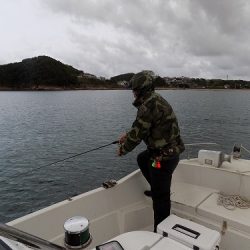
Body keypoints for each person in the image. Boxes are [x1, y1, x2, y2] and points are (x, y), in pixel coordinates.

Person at [117, 70, 185, 232]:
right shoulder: (154, 99)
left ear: (142, 90)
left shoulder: (148, 105)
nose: (133, 93)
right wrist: (127, 135)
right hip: (168, 151)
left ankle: (160, 233)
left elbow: (138, 135)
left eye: (134, 90)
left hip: (164, 156)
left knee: (161, 201)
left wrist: (122, 149)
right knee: (142, 159)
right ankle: (157, 189)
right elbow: (142, 126)